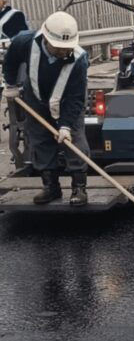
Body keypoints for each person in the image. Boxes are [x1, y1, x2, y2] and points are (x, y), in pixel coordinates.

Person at [3, 11, 90, 206]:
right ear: (46, 38)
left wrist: (66, 126)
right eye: (58, 48)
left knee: (74, 141)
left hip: (67, 101)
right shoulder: (24, 42)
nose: (63, 52)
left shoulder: (79, 59)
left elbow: (76, 97)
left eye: (66, 48)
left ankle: (79, 188)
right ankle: (51, 187)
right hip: (36, 99)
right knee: (40, 139)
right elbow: (10, 62)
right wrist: (11, 85)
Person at [0, 0, 30, 102]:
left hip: (11, 62)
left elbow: (20, 41)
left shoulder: (14, 16)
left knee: (16, 96)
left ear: (3, 0)